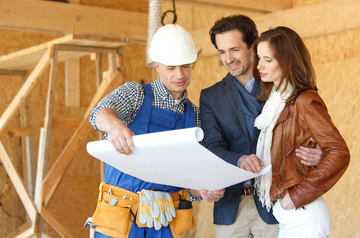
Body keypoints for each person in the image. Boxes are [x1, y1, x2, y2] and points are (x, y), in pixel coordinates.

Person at [88, 24, 223, 238]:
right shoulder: (135, 94)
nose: (180, 74)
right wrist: (114, 126)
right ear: (158, 66)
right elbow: (98, 114)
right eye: (171, 68)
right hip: (120, 222)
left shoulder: (196, 117)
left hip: (164, 224)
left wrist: (203, 191)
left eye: (185, 66)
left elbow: (189, 181)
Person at [195, 15, 324, 238]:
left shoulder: (282, 86)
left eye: (234, 49)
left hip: (276, 204)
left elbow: (310, 132)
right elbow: (212, 147)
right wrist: (239, 159)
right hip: (231, 208)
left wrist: (319, 151)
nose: (228, 59)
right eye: (222, 52)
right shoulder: (210, 96)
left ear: (253, 47)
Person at [254, 26, 350, 238]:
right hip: (287, 213)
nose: (259, 65)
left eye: (268, 60)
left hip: (303, 213)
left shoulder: (305, 101)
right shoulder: (275, 103)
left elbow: (339, 152)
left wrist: (297, 196)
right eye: (259, 58)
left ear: (287, 61)